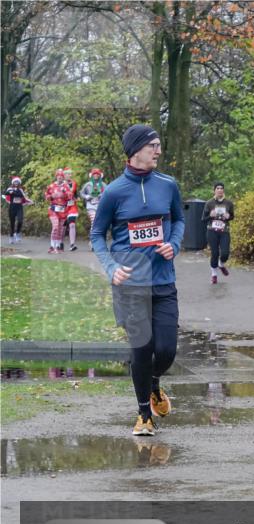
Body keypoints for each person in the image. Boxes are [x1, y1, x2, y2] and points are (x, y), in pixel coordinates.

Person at [90, 124, 184, 436]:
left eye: (159, 145)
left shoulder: (168, 185)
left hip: (162, 282)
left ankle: (154, 383)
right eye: (152, 146)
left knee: (166, 351)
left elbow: (179, 220)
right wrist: (110, 267)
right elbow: (96, 235)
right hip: (130, 285)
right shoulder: (114, 191)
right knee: (142, 349)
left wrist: (174, 244)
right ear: (135, 151)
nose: (158, 151)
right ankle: (144, 414)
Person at [200, 182, 234, 284]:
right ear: (214, 190)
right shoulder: (209, 203)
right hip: (212, 231)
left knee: (225, 254)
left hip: (224, 231)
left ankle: (221, 264)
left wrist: (229, 217)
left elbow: (232, 216)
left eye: (221, 188)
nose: (219, 190)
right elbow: (203, 219)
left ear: (223, 190)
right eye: (217, 188)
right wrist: (210, 215)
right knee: (214, 253)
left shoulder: (229, 203)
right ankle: (214, 274)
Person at [44, 169, 74, 254]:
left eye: (61, 176)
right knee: (55, 226)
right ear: (56, 177)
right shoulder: (51, 186)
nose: (60, 177)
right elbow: (46, 196)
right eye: (58, 176)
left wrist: (66, 194)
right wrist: (51, 196)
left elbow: (70, 196)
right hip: (53, 209)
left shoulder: (66, 186)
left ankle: (57, 246)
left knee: (61, 229)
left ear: (63, 177)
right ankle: (52, 246)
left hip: (62, 210)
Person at [3, 176, 32, 244]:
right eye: (15, 182)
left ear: (19, 183)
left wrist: (30, 201)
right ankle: (11, 237)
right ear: (13, 182)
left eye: (17, 182)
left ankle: (18, 233)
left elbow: (24, 197)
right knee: (12, 223)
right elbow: (5, 193)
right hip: (12, 208)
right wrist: (10, 192)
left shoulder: (21, 190)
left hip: (19, 207)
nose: (16, 183)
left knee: (20, 220)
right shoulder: (10, 189)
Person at [62, 167, 81, 250]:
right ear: (64, 175)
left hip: (72, 206)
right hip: (62, 207)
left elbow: (75, 193)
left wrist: (77, 197)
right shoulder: (61, 184)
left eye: (70, 174)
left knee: (72, 224)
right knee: (62, 226)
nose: (69, 175)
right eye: (67, 174)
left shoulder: (74, 183)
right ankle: (60, 242)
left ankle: (72, 244)